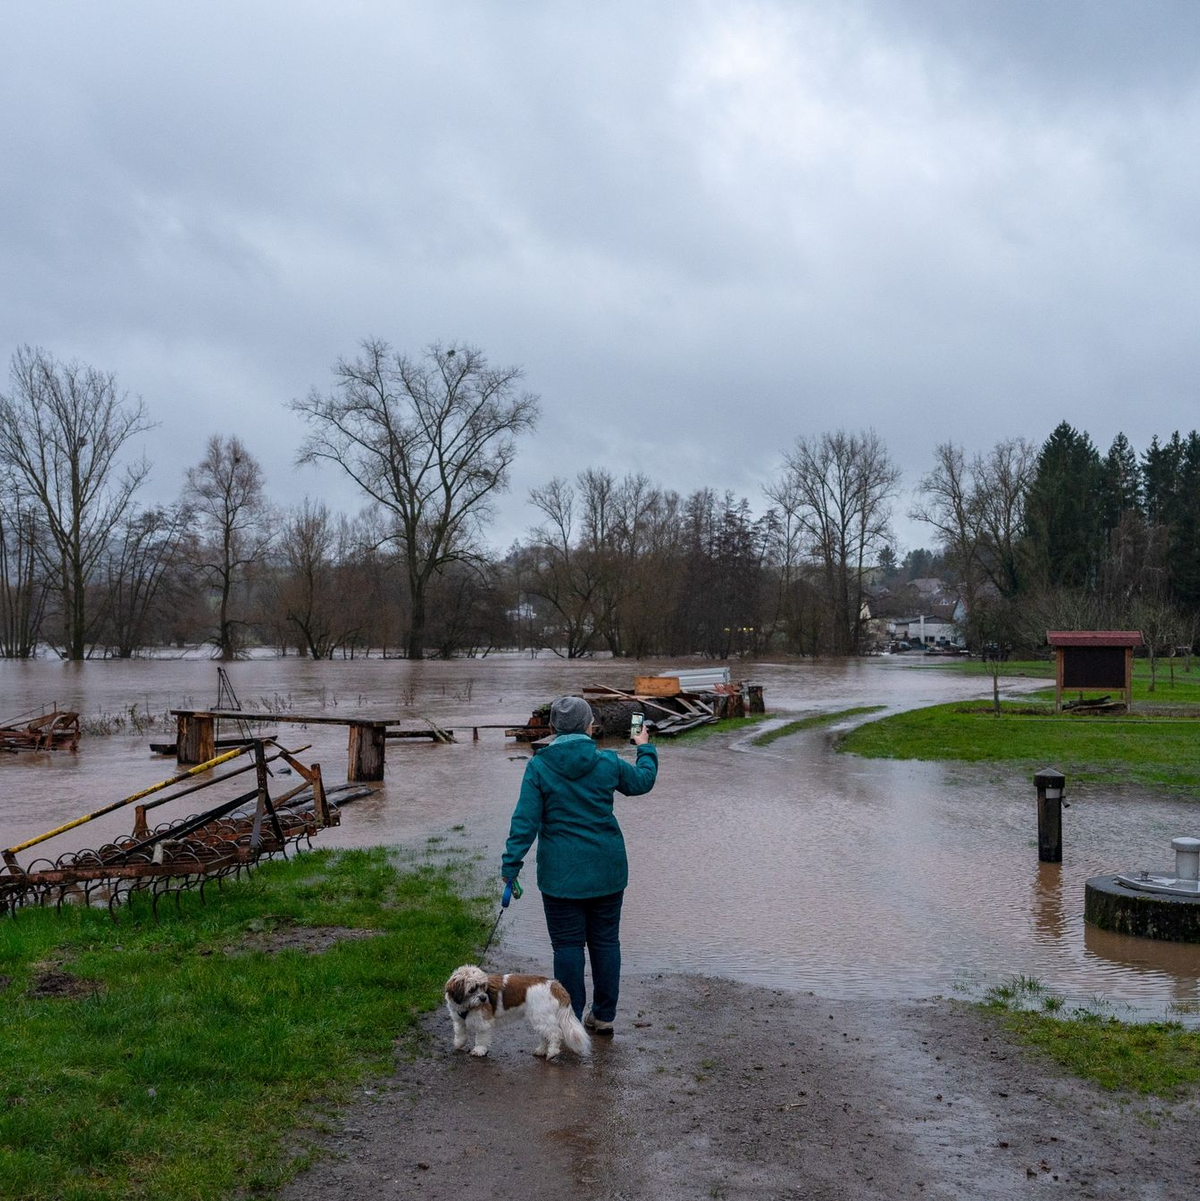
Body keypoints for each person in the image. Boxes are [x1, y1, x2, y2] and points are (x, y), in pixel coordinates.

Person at [501, 694, 657, 1034]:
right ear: (588, 725)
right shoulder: (608, 762)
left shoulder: (540, 767)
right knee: (605, 942)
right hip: (607, 871)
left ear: (554, 728)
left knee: (568, 946)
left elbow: (524, 823)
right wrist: (644, 745)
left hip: (561, 876)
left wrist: (510, 867)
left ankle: (569, 1020)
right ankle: (603, 1016)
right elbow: (643, 781)